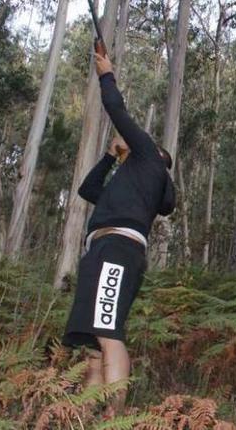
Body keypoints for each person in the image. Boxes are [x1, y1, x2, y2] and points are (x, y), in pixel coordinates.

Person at [62, 42, 176, 413]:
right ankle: (88, 417)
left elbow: (116, 108)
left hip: (117, 251)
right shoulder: (131, 182)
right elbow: (88, 190)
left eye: (145, 146)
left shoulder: (150, 163)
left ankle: (116, 418)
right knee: (94, 344)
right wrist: (111, 156)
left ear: (155, 156)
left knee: (108, 334)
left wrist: (106, 73)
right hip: (100, 250)